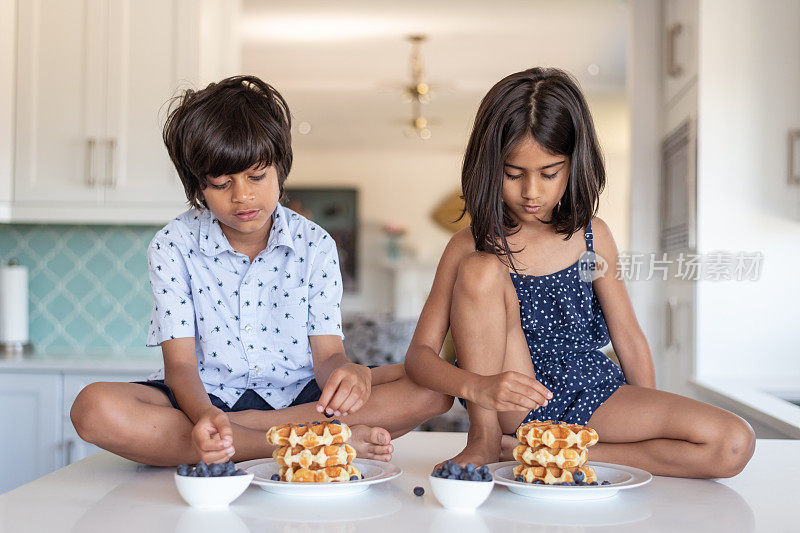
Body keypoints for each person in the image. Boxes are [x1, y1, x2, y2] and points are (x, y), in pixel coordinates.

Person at [71, 76, 452, 466]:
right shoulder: (172, 246)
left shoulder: (316, 244)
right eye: (221, 183)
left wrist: (350, 372)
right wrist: (204, 416)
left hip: (300, 397)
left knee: (432, 390)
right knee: (92, 407)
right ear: (198, 186)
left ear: (280, 167)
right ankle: (306, 442)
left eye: (256, 176)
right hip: (203, 397)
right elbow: (181, 367)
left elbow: (327, 357)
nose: (242, 196)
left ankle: (248, 434)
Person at [404, 67, 755, 478]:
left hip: (594, 392)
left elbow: (628, 336)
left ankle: (541, 453)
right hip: (517, 399)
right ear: (489, 166)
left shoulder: (593, 237)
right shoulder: (468, 245)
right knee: (481, 269)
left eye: (549, 173)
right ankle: (486, 440)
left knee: (732, 443)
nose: (531, 192)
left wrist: (646, 416)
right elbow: (419, 358)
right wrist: (477, 388)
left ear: (574, 164)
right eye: (513, 174)